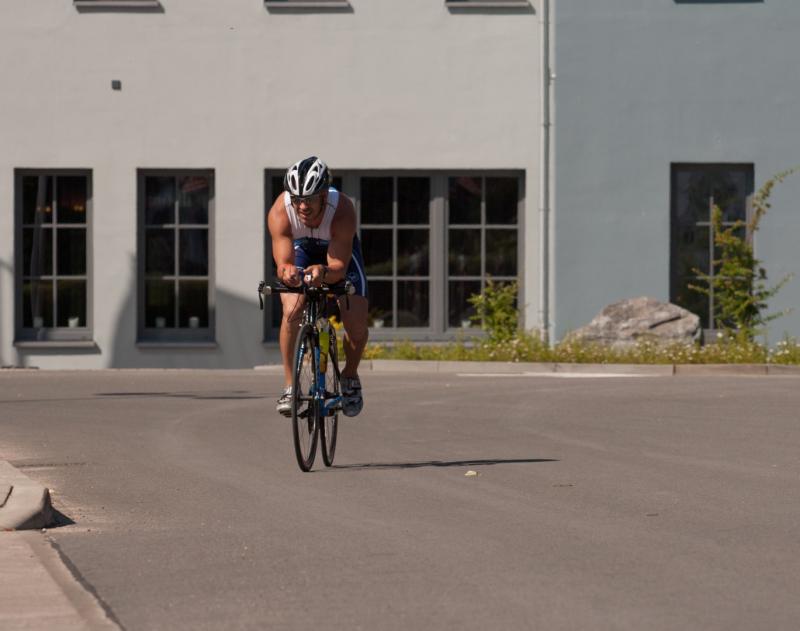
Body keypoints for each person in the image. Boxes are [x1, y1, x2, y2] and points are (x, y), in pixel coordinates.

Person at [267, 156, 368, 417]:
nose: (302, 206)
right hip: (301, 250)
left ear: (324, 195)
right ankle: (290, 386)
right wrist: (288, 273)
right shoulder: (280, 211)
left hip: (336, 256)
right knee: (291, 311)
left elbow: (338, 269)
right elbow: (283, 263)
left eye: (309, 199)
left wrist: (323, 273)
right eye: (297, 199)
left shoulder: (342, 209)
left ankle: (350, 376)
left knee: (356, 324)